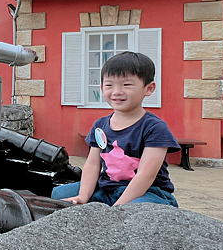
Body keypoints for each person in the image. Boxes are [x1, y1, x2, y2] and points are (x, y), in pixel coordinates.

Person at [51, 51, 180, 207]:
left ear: (149, 88)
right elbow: (92, 164)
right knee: (59, 193)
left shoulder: (155, 128)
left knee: (136, 209)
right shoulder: (100, 125)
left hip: (148, 191)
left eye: (126, 85)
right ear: (102, 88)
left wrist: (118, 207)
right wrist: (83, 196)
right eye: (109, 85)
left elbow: (147, 174)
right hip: (108, 187)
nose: (117, 91)